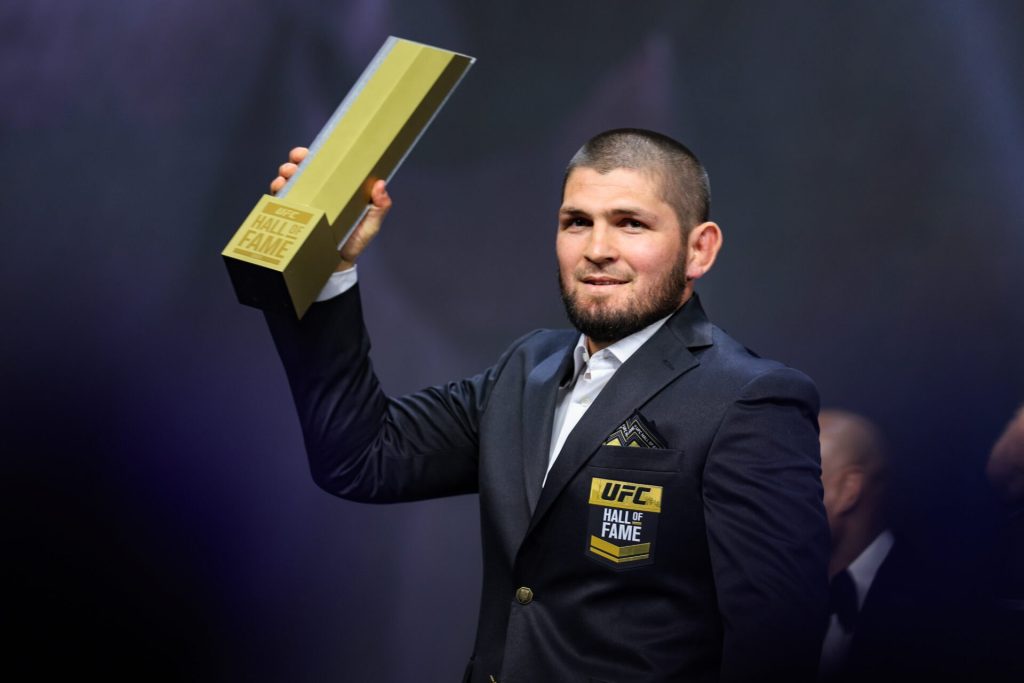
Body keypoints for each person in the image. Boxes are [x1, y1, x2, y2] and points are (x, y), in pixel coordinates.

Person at [264, 129, 830, 682]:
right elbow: (362, 457)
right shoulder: (525, 369)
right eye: (577, 222)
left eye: (631, 223)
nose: (597, 249)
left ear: (698, 248)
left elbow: (776, 644)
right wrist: (330, 270)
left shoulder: (751, 398)